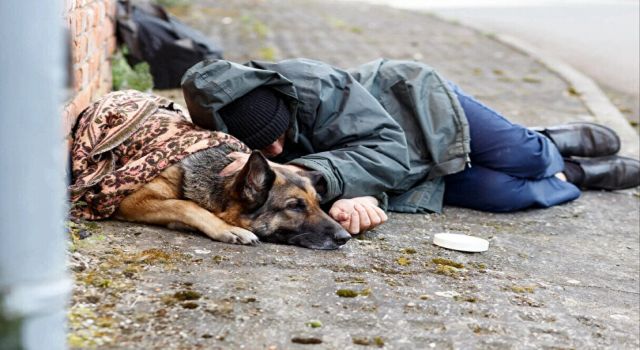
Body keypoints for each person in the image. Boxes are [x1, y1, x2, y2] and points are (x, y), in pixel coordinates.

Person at [181, 58, 640, 234]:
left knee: (527, 158)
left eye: (280, 132)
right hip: (388, 171)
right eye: (265, 145)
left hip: (416, 111)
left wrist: (309, 174)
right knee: (509, 195)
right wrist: (353, 199)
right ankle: (576, 175)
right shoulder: (229, 137)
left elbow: (384, 147)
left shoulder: (315, 84)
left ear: (282, 100)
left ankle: (547, 142)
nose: (277, 149)